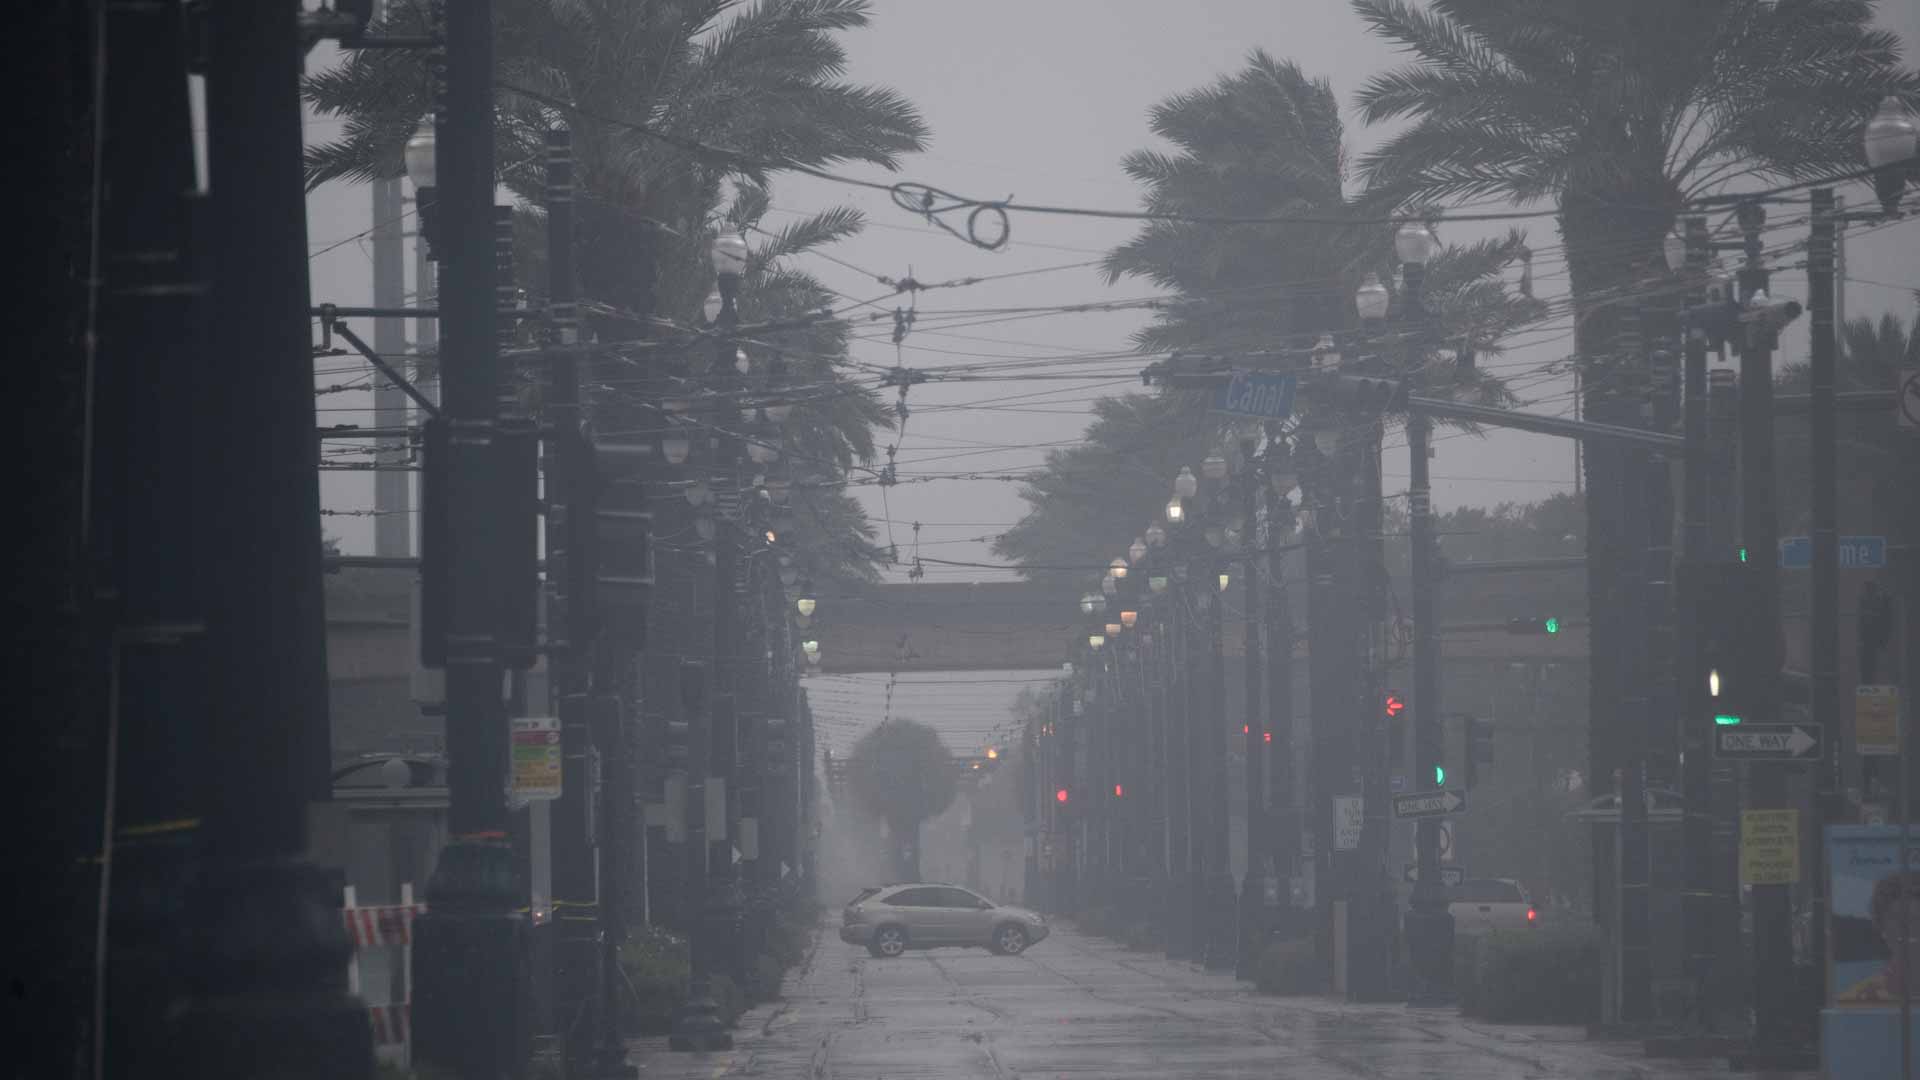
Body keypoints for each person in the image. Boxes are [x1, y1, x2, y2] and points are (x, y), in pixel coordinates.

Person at [1838, 868, 1920, 1004]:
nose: (1911, 930)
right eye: (1900, 921)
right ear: (1882, 928)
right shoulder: (1858, 999)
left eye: (1917, 920)